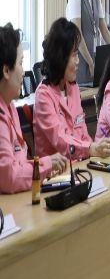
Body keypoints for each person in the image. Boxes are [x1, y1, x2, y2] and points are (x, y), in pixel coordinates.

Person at [34, 18, 110, 160]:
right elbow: (61, 140)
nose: (78, 61)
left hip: (79, 165)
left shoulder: (73, 88)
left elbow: (82, 132)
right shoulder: (43, 95)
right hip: (57, 171)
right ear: (61, 57)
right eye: (74, 55)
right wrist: (90, 149)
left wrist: (96, 149)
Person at [0, 23, 67, 194]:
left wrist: (43, 168)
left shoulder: (9, 106)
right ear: (6, 70)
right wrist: (45, 165)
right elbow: (9, 177)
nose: (23, 72)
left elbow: (19, 165)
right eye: (21, 63)